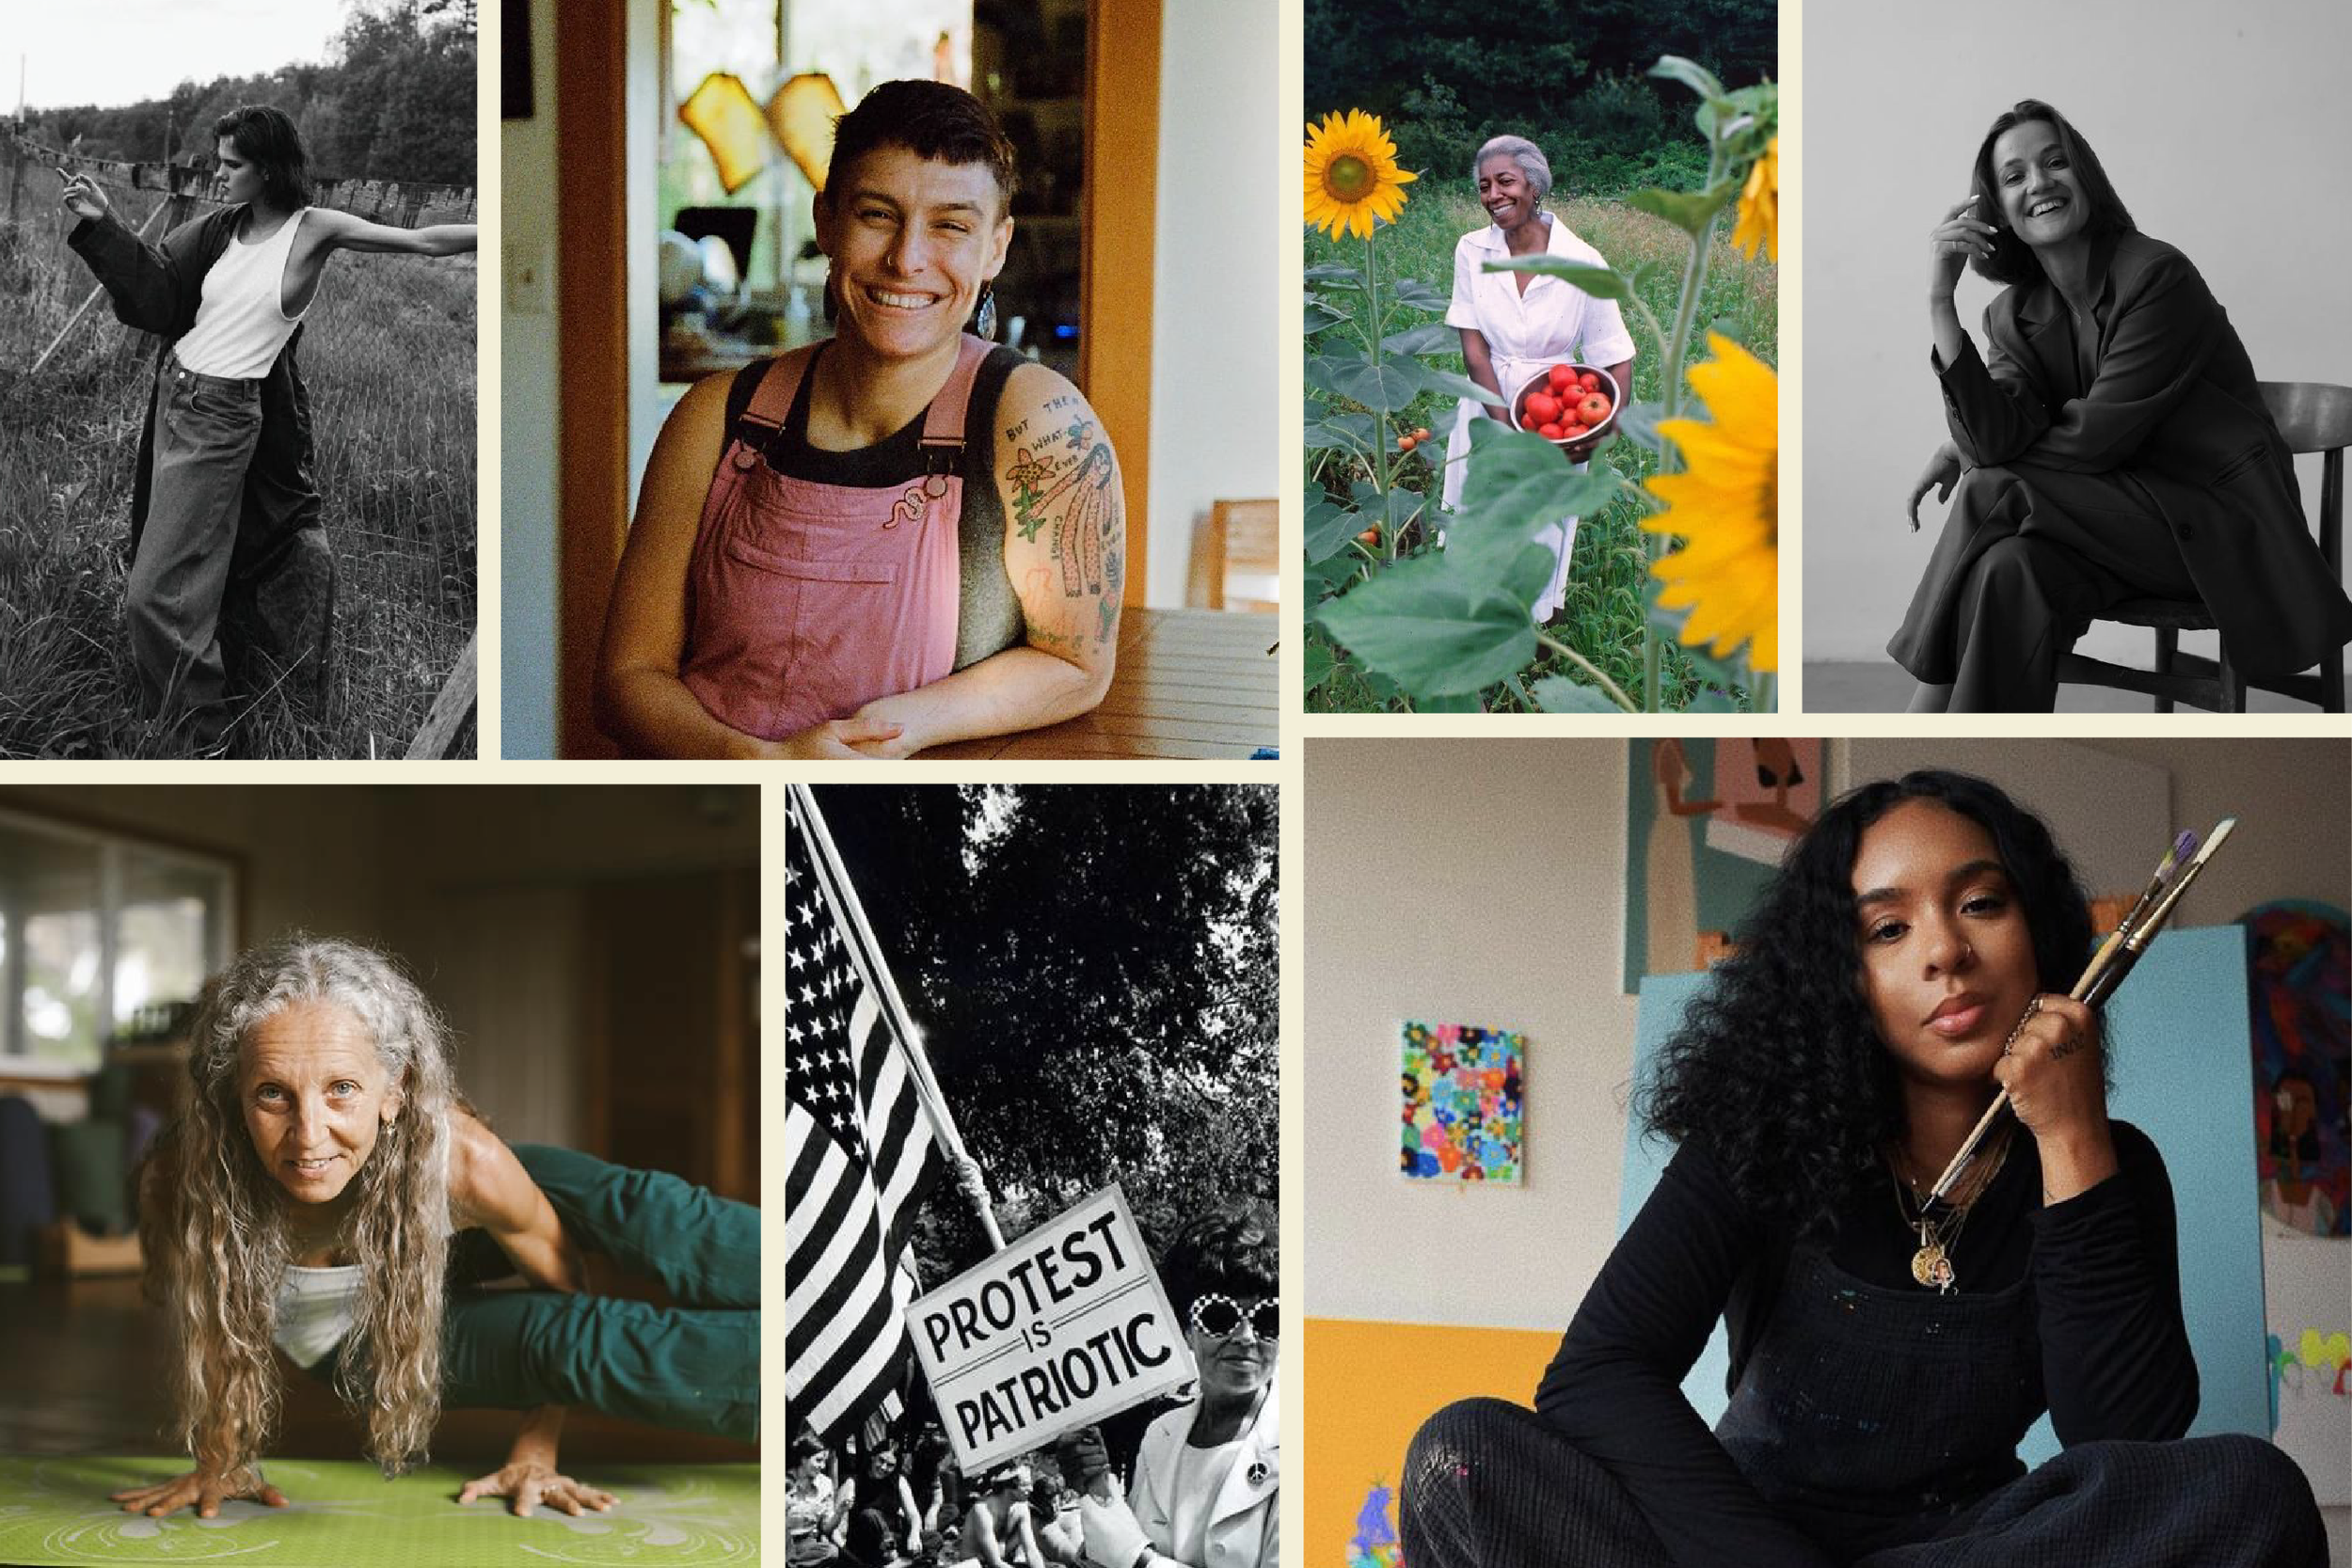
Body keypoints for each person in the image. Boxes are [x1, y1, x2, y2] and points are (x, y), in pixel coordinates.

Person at [1399, 770, 2330, 1567]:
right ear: (1838, 977)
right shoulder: (1760, 1136)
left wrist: (2073, 1135)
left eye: (1980, 903)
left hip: (1966, 1546)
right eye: (1887, 928)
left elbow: (2125, 1443)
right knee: (1462, 1454)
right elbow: (1598, 1373)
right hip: (1745, 1540)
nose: (1944, 951)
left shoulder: (2106, 1165)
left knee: (2251, 1491)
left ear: (2039, 930)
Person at [109, 936, 757, 1521]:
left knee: (649, 1210)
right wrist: (220, 1460)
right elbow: (219, 1321)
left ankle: (817, 1278)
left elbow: (563, 1282)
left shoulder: (463, 1159)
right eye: (273, 1093)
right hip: (350, 1326)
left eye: (342, 1088)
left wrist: (536, 1449)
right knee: (572, 1340)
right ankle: (803, 1369)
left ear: (394, 1090)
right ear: (235, 1094)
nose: (309, 1136)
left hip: (428, 1219)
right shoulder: (185, 1180)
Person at [596, 79, 1123, 760]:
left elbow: (1077, 666)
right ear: (826, 221)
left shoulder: (1042, 429)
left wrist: (898, 730)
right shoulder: (716, 418)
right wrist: (765, 763)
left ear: (996, 247)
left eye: (951, 225)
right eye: (877, 215)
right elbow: (626, 680)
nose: (907, 259)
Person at [1891, 100, 2352, 711]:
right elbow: (1996, 439)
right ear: (1995, 211)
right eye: (2015, 176)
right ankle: (1973, 754)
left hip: (2220, 533)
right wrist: (1939, 302)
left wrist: (1970, 455)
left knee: (1992, 487)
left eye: (2056, 162)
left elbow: (2093, 442)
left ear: (2086, 174)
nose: (2039, 183)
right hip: (2110, 531)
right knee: (2009, 566)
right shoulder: (2013, 315)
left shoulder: (2159, 278)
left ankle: (1919, 716)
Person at [58, 105, 479, 751]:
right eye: (218, 161)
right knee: (183, 574)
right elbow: (158, 287)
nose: (218, 174)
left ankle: (201, 736)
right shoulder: (222, 228)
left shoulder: (313, 231)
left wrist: (516, 226)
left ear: (269, 169)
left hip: (220, 419)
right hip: (174, 396)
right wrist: (105, 222)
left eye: (232, 164)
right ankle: (171, 716)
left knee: (151, 593)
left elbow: (422, 241)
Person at [1443, 135, 1637, 624]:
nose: (1493, 195)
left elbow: (1615, 353)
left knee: (1540, 524)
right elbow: (1474, 348)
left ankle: (1532, 628)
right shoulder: (1472, 249)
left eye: (1505, 182)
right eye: (1484, 186)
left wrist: (1602, 432)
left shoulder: (1582, 260)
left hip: (1558, 412)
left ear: (1534, 186)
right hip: (1487, 402)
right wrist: (1504, 427)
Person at [1063, 1198, 1280, 1568]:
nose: (1246, 1337)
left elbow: (1131, 1555)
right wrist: (1096, 1488)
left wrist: (1140, 1561)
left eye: (1268, 1319)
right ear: (1185, 1328)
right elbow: (1119, 1552)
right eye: (1218, 1316)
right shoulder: (1160, 1436)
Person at [788, 1433, 844, 1563]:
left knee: (832, 1552)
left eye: (825, 1461)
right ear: (803, 1459)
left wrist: (840, 1512)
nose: (823, 1466)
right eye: (818, 1460)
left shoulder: (826, 1484)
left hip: (807, 1542)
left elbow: (826, 1528)